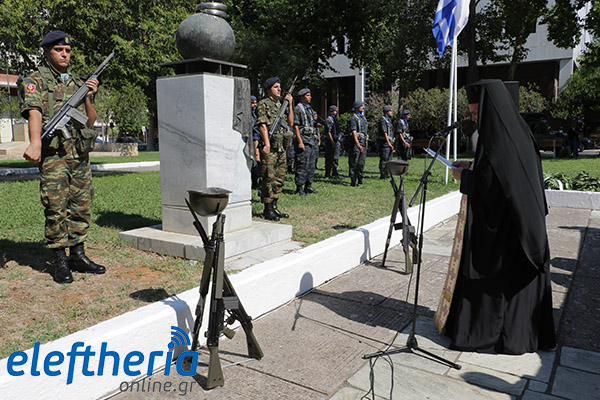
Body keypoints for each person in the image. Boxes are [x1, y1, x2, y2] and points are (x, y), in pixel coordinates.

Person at [443, 79, 556, 355]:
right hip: (516, 227)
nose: (473, 119)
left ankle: (495, 334)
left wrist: (464, 178)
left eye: (476, 113)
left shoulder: (501, 140)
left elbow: (496, 188)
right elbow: (495, 173)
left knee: (500, 282)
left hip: (511, 234)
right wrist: (472, 168)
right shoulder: (509, 134)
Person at [20, 30, 106, 284]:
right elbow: (34, 112)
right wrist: (35, 143)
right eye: (59, 50)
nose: (65, 54)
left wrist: (88, 96)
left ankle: (77, 255)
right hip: (54, 154)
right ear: (47, 51)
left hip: (78, 153)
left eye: (68, 51)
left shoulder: (78, 82)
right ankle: (59, 259)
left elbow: (90, 121)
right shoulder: (35, 80)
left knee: (81, 204)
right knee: (56, 206)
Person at [256, 77, 294, 221]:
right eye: (275, 87)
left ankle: (275, 206)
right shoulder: (263, 103)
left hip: (281, 147)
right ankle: (268, 209)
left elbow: (290, 122)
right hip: (270, 147)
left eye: (280, 86)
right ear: (268, 89)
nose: (279, 89)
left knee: (280, 177)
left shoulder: (281, 105)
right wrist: (266, 144)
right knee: (268, 177)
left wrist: (290, 104)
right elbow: (262, 125)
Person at [293, 88, 320, 195]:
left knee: (311, 164)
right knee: (302, 164)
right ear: (302, 97)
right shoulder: (298, 109)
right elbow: (295, 126)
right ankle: (299, 187)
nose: (310, 97)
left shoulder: (310, 109)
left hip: (312, 140)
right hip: (304, 140)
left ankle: (308, 186)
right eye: (308, 95)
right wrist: (300, 141)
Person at [348, 100, 368, 186]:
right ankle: (353, 180)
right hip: (356, 143)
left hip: (363, 141)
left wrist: (366, 141)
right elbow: (354, 132)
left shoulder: (363, 118)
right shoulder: (353, 118)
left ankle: (360, 178)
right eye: (361, 106)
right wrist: (358, 144)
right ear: (357, 107)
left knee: (361, 162)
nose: (363, 107)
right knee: (354, 161)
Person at [377, 105, 395, 179]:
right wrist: (389, 143)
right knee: (384, 159)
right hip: (385, 143)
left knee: (389, 159)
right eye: (390, 111)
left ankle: (387, 173)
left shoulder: (388, 120)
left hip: (390, 142)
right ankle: (383, 174)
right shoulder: (383, 120)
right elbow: (385, 133)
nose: (391, 112)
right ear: (386, 112)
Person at [324, 105, 342, 178]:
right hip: (330, 141)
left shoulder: (335, 119)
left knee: (335, 157)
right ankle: (327, 173)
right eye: (335, 111)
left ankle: (334, 171)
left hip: (336, 139)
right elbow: (328, 132)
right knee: (329, 157)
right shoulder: (329, 119)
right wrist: (332, 141)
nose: (336, 112)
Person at [250, 95, 261, 191]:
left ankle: (255, 182)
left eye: (255, 103)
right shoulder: (249, 116)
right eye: (252, 103)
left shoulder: (254, 115)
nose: (255, 105)